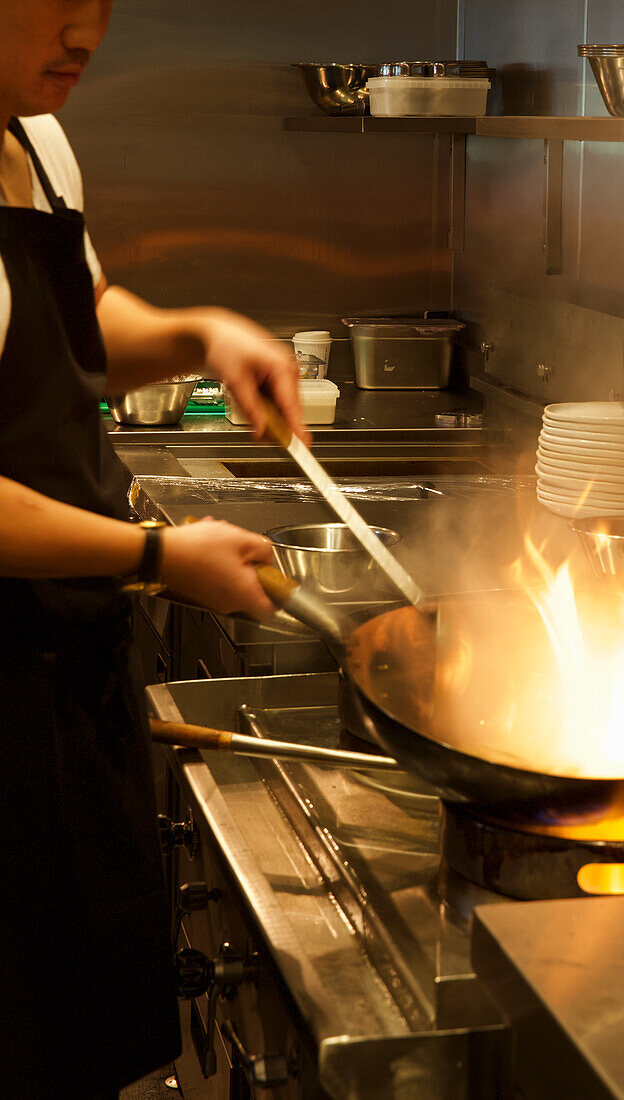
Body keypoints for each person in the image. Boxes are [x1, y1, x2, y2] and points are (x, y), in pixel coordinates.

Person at [0, 2, 309, 1096]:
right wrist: (153, 557)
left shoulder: (37, 138)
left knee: (75, 1030)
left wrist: (200, 331)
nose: (88, 29)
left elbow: (80, 318)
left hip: (68, 668)